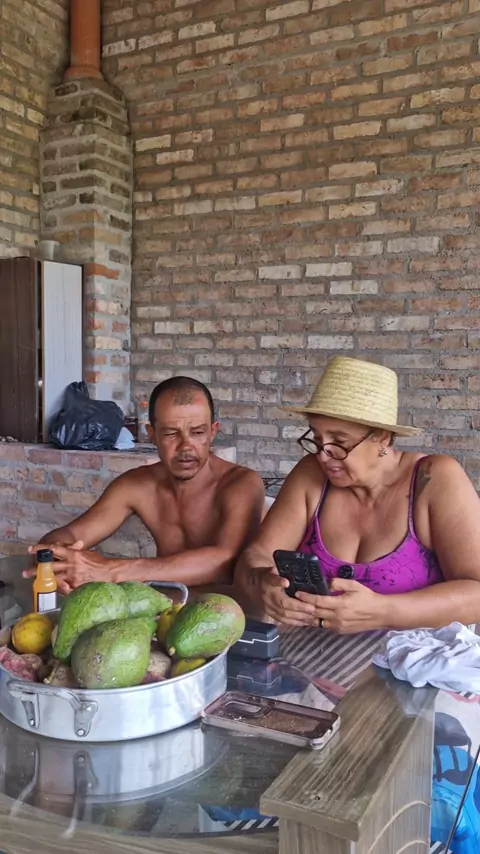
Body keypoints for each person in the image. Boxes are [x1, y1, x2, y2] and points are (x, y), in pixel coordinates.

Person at [235, 356, 480, 633]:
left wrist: (384, 612)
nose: (324, 455)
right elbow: (256, 556)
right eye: (317, 439)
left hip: (412, 655)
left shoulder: (433, 478)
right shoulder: (311, 474)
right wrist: (261, 583)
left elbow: (476, 592)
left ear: (383, 437)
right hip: (311, 651)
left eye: (340, 442)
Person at [27, 377, 265, 594]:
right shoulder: (137, 485)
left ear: (213, 432)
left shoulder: (240, 483)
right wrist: (56, 560)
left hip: (231, 615)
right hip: (162, 609)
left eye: (198, 432)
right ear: (152, 434)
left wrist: (112, 570)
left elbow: (225, 561)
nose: (186, 446)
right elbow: (69, 535)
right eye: (171, 434)